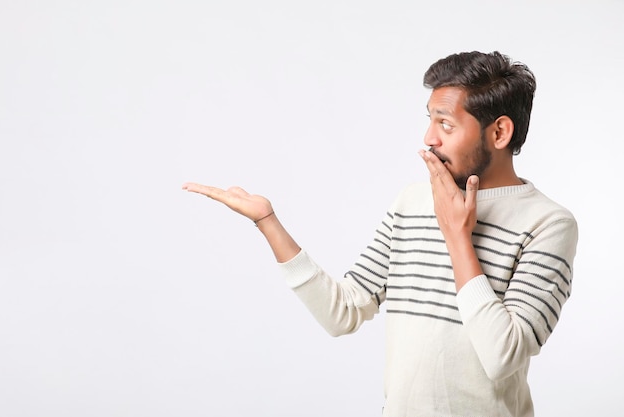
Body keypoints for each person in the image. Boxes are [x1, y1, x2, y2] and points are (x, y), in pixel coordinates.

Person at [182, 51, 578, 417]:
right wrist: (267, 220)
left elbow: (502, 355)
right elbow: (344, 312)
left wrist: (458, 237)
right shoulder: (412, 201)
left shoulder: (548, 224)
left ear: (499, 132)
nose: (429, 138)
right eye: (429, 120)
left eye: (446, 123)